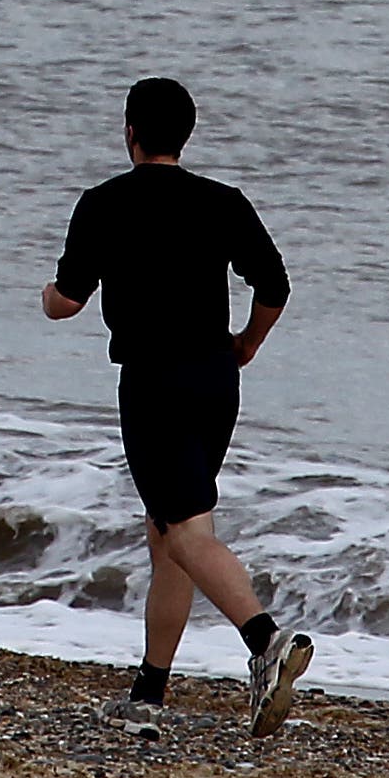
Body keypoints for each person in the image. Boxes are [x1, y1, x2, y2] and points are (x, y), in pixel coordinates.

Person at [41, 75, 311, 739]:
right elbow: (274, 284)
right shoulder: (223, 202)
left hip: (154, 381)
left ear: (130, 132)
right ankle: (150, 691)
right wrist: (247, 341)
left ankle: (266, 641)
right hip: (217, 379)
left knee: (187, 533)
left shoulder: (104, 203)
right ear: (184, 136)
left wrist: (47, 296)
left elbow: (67, 299)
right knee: (168, 534)